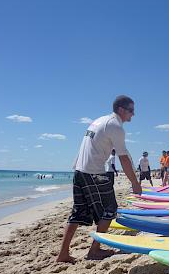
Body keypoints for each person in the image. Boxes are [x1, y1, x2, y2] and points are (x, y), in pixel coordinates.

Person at [56, 95, 142, 263]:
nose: (133, 114)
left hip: (79, 170)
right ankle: (94, 250)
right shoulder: (115, 126)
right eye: (131, 110)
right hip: (93, 172)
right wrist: (135, 183)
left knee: (78, 211)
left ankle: (63, 254)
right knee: (110, 209)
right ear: (121, 110)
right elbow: (123, 158)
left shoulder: (100, 120)